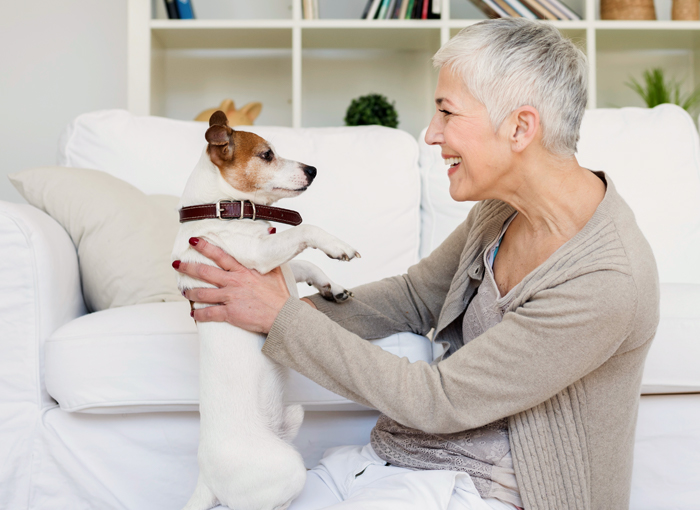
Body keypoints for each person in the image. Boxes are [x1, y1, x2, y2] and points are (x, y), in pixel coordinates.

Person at [173, 18, 660, 510]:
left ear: (520, 127)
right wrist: (247, 308)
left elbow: (440, 400)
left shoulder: (606, 280)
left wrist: (281, 317)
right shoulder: (502, 211)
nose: (431, 134)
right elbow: (412, 297)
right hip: (391, 460)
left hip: (480, 489)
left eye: (447, 113)